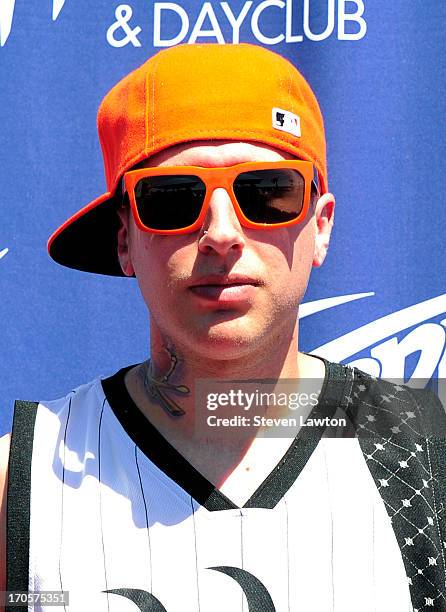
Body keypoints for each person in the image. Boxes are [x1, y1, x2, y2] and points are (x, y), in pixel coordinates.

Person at [1, 43, 446, 612]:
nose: (221, 232)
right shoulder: (22, 478)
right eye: (171, 199)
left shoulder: (424, 452)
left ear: (322, 224)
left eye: (266, 191)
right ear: (123, 242)